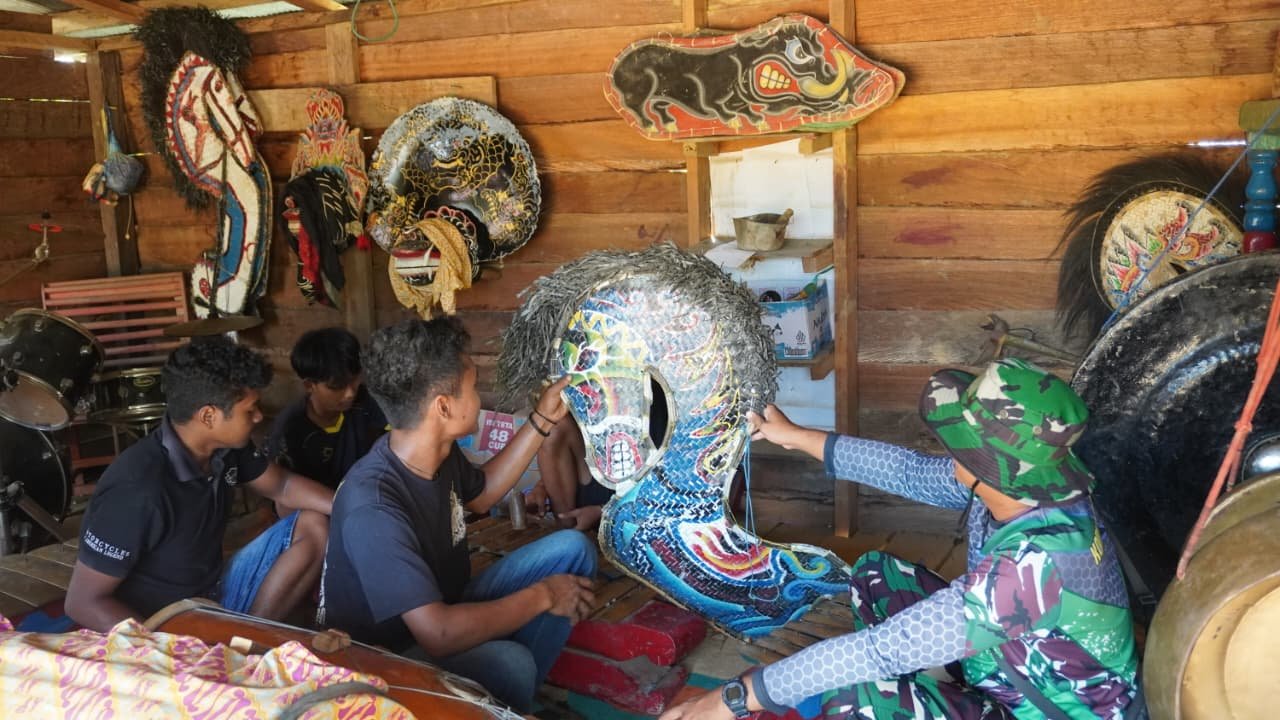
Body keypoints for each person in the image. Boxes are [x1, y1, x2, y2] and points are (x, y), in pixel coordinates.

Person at [661, 358, 1140, 720]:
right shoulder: (1027, 491)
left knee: (858, 700)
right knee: (877, 575)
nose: (947, 446)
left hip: (1046, 709)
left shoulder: (1033, 567)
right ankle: (938, 692)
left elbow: (882, 650)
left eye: (958, 440)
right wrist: (796, 436)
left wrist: (732, 699)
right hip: (1009, 664)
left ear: (985, 466)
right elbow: (909, 472)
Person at [319, 317, 597, 713]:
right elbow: (439, 634)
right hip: (384, 658)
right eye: (473, 388)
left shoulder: (434, 453)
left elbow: (482, 495)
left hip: (446, 602)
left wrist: (543, 418)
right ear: (443, 407)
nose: (479, 399)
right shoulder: (374, 506)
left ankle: (508, 701)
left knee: (571, 550)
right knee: (511, 664)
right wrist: (545, 596)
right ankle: (506, 700)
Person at [66, 337, 335, 631]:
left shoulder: (225, 448)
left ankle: (247, 637)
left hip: (209, 592)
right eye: (250, 410)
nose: (259, 417)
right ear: (208, 416)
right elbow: (83, 603)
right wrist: (171, 649)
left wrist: (350, 505)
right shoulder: (136, 488)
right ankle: (230, 644)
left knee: (314, 524)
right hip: (160, 621)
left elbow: (281, 485)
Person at [267, 327, 387, 497]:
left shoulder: (366, 401)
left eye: (354, 380)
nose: (350, 393)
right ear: (309, 385)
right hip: (319, 506)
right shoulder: (288, 431)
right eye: (337, 386)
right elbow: (284, 495)